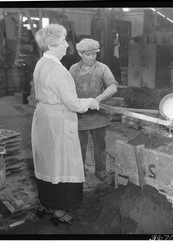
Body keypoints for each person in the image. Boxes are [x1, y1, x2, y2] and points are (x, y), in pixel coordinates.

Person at [31, 24, 99, 226]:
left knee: (47, 163)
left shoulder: (41, 64)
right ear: (51, 44)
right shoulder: (58, 70)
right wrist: (91, 102)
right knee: (61, 164)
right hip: (57, 121)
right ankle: (59, 211)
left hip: (43, 117)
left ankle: (46, 204)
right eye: (62, 42)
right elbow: (73, 104)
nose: (66, 45)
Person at [69, 38, 118, 181]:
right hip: (80, 115)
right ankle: (79, 171)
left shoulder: (102, 68)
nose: (91, 58)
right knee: (79, 146)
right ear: (80, 54)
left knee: (100, 144)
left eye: (94, 54)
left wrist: (99, 99)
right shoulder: (73, 69)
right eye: (88, 54)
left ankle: (101, 170)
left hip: (98, 114)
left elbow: (113, 86)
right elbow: (67, 89)